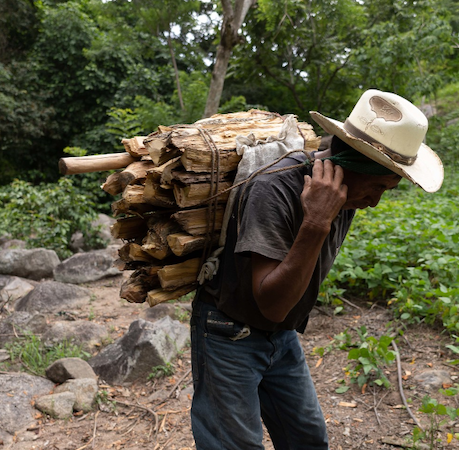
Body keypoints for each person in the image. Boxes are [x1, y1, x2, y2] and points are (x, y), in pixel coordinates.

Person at [190, 89, 444, 450]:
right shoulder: (273, 189)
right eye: (375, 187)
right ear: (348, 166)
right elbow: (272, 303)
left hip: (280, 335)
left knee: (307, 439)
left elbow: (280, 312)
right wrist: (315, 223)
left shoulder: (343, 191)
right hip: (228, 331)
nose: (373, 201)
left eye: (386, 190)